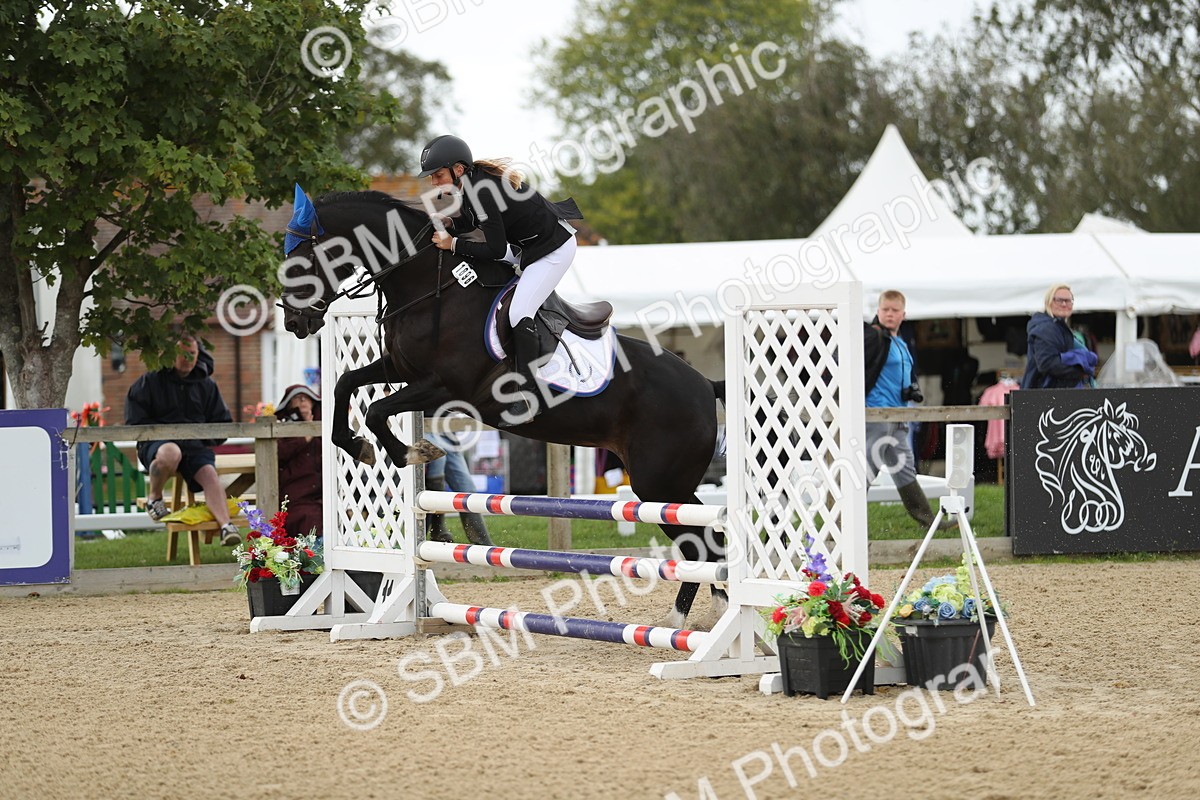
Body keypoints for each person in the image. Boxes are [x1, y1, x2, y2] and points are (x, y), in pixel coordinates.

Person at [418, 134, 583, 426]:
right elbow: (474, 221)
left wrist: (453, 244)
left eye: (438, 175)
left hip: (553, 250)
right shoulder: (472, 184)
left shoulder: (481, 189)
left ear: (458, 169)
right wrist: (451, 224)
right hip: (528, 246)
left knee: (520, 312)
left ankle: (530, 395)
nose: (434, 183)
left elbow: (494, 249)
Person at [126, 333, 240, 545]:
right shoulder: (149, 382)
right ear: (171, 355)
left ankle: (226, 527)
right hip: (157, 447)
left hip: (194, 448)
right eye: (182, 353)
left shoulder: (207, 384)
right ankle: (154, 499)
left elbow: (221, 422)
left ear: (199, 354)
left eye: (192, 353)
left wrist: (205, 440)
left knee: (209, 474)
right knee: (171, 452)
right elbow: (134, 423)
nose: (187, 358)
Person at [862, 290, 948, 530]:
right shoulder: (872, 336)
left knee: (904, 467)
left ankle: (927, 522)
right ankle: (841, 524)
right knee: (866, 470)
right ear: (878, 311)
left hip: (899, 414)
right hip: (876, 414)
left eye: (894, 310)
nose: (889, 314)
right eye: (885, 309)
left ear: (904, 314)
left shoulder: (900, 342)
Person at [1020, 284, 1098, 389]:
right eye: (1059, 300)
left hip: (1052, 394)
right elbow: (1047, 364)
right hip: (1043, 396)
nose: (1064, 304)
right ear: (1049, 302)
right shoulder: (1046, 328)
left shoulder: (1058, 327)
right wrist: (1080, 372)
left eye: (1068, 300)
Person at [423, 431, 493, 546]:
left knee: (467, 487)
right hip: (419, 428)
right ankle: (437, 530)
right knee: (437, 457)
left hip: (444, 433)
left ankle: (483, 544)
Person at [274, 384, 322, 539]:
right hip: (297, 495)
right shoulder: (283, 428)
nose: (302, 401)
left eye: (306, 398)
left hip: (324, 493)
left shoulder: (325, 424)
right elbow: (279, 454)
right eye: (297, 398)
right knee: (307, 516)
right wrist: (306, 436)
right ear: (289, 404)